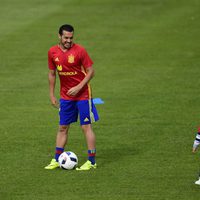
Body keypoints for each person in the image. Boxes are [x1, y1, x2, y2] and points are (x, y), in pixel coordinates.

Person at [45, 24, 99, 170]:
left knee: (86, 126)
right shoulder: (52, 52)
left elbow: (91, 71)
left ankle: (91, 161)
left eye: (71, 38)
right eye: (66, 38)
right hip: (66, 96)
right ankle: (56, 159)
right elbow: (52, 74)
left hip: (83, 94)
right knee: (63, 127)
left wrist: (78, 87)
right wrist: (51, 94)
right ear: (59, 36)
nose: (69, 40)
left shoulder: (80, 50)